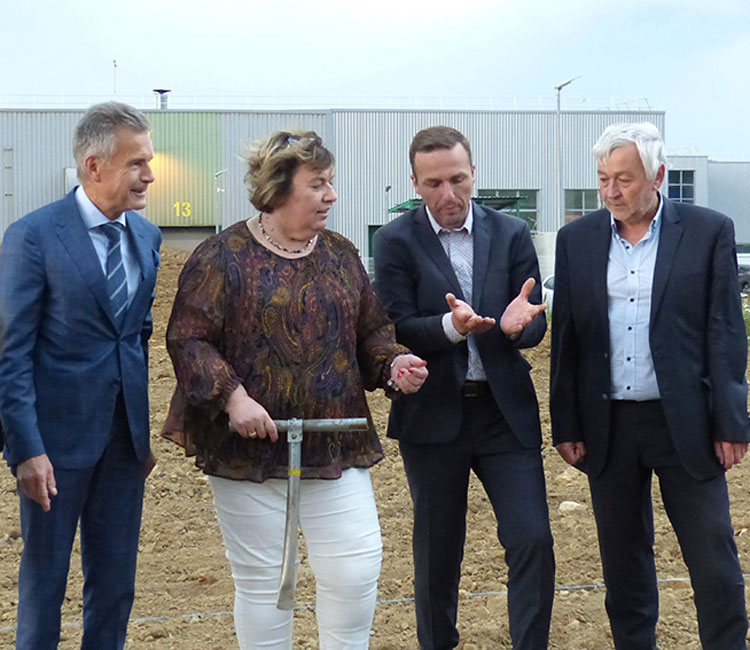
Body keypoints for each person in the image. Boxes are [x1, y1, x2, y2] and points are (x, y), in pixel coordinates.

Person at [161, 129, 428, 650]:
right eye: (319, 184)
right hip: (249, 453)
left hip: (334, 444)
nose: (332, 195)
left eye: (331, 183)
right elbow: (188, 340)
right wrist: (234, 399)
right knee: (265, 584)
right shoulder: (221, 257)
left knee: (355, 570)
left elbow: (371, 332)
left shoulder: (342, 255)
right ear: (279, 188)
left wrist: (395, 364)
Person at [550, 122, 750, 650]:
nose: (612, 192)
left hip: (687, 421)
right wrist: (567, 422)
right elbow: (568, 338)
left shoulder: (709, 231)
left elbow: (726, 330)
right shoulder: (578, 241)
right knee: (624, 564)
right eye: (603, 179)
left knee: (712, 560)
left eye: (625, 179)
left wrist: (732, 419)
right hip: (609, 423)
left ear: (658, 175)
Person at [373, 126, 555, 650]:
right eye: (433, 184)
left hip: (503, 414)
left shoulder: (512, 233)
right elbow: (394, 325)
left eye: (457, 180)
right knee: (437, 552)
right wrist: (451, 329)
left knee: (533, 539)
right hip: (432, 417)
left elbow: (532, 319)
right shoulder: (394, 241)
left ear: (474, 173)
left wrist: (523, 326)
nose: (448, 196)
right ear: (414, 182)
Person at [0, 102, 161, 649]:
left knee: (115, 588)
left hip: (123, 446)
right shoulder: (33, 237)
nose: (150, 175)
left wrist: (139, 429)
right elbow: (11, 353)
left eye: (149, 161)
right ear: (94, 166)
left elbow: (136, 336)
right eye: (137, 163)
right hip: (54, 450)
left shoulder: (148, 237)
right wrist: (25, 449)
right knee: (44, 588)